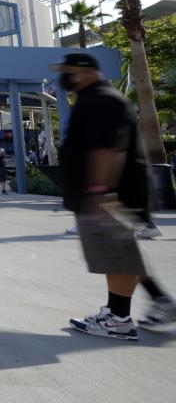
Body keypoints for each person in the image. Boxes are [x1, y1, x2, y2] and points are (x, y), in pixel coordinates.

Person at [53, 53, 176, 339]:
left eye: (68, 71)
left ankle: (119, 318)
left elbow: (106, 149)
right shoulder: (98, 98)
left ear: (84, 72)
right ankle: (151, 302)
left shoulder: (100, 100)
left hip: (110, 194)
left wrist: (99, 191)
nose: (64, 78)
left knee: (117, 254)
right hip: (115, 193)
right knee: (121, 252)